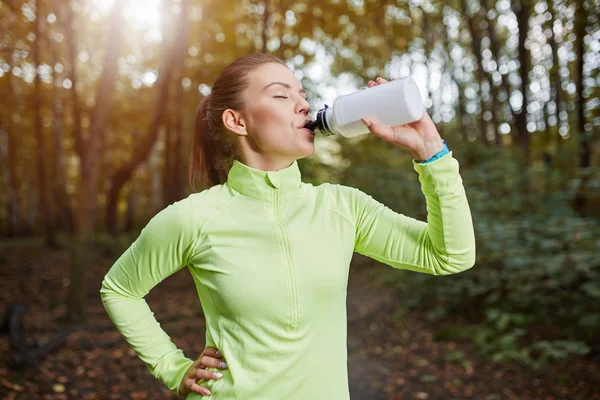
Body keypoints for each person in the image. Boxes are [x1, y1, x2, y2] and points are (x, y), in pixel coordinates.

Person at [100, 52, 476, 399]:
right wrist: (173, 368)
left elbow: (449, 256)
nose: (304, 104)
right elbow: (119, 289)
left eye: (302, 94)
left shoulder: (342, 207)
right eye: (281, 96)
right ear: (237, 121)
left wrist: (431, 152)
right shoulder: (194, 218)